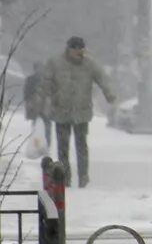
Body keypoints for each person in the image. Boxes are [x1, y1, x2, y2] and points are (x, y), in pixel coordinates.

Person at [41, 37, 116, 187]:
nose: (78, 51)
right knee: (63, 146)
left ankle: (83, 175)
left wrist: (109, 94)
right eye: (75, 48)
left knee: (81, 145)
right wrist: (46, 97)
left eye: (81, 48)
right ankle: (65, 176)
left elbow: (103, 78)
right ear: (68, 49)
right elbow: (46, 81)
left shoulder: (89, 64)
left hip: (82, 112)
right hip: (61, 111)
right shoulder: (55, 63)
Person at [23, 61, 50, 146]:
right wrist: (29, 103)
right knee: (36, 127)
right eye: (38, 68)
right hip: (35, 107)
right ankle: (36, 144)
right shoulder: (31, 79)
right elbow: (26, 93)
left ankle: (46, 144)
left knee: (47, 127)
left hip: (45, 107)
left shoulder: (48, 79)